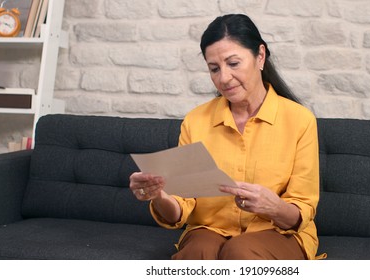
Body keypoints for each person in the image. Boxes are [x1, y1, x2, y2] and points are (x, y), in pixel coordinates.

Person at [129, 14, 322, 260]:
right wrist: (158, 196)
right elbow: (180, 207)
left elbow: (301, 209)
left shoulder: (299, 120)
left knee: (240, 252)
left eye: (233, 63)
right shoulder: (195, 121)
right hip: (209, 230)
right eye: (214, 69)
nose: (224, 78)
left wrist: (273, 206)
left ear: (260, 56)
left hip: (278, 232)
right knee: (199, 251)